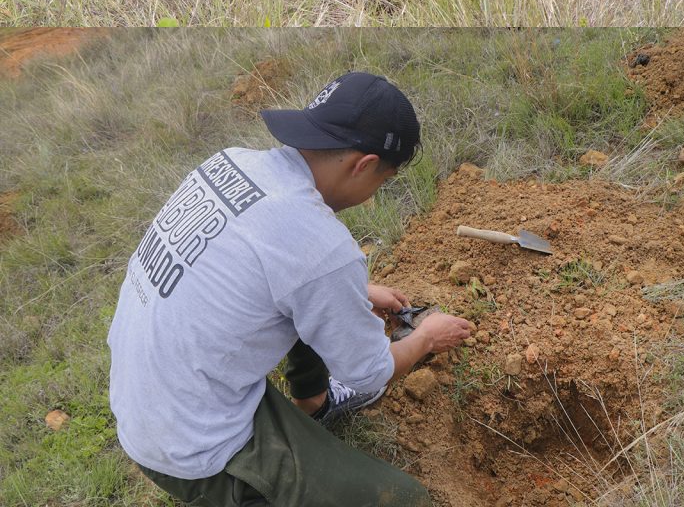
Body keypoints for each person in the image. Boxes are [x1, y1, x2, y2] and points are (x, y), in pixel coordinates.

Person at [108, 71, 473, 507]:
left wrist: (357, 289)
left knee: (310, 306)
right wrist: (427, 337)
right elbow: (370, 373)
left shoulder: (230, 161)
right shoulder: (320, 248)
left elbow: (263, 265)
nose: (374, 193)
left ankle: (314, 402)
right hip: (192, 448)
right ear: (366, 165)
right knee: (405, 500)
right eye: (384, 180)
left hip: (149, 400)